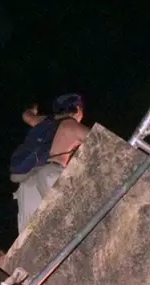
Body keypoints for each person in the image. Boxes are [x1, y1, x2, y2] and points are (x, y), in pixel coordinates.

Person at [10, 94, 91, 234]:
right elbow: (103, 141)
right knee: (72, 224)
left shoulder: (44, 121)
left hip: (27, 182)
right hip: (51, 175)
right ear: (78, 109)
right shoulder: (72, 125)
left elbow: (26, 116)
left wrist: (32, 111)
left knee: (29, 234)